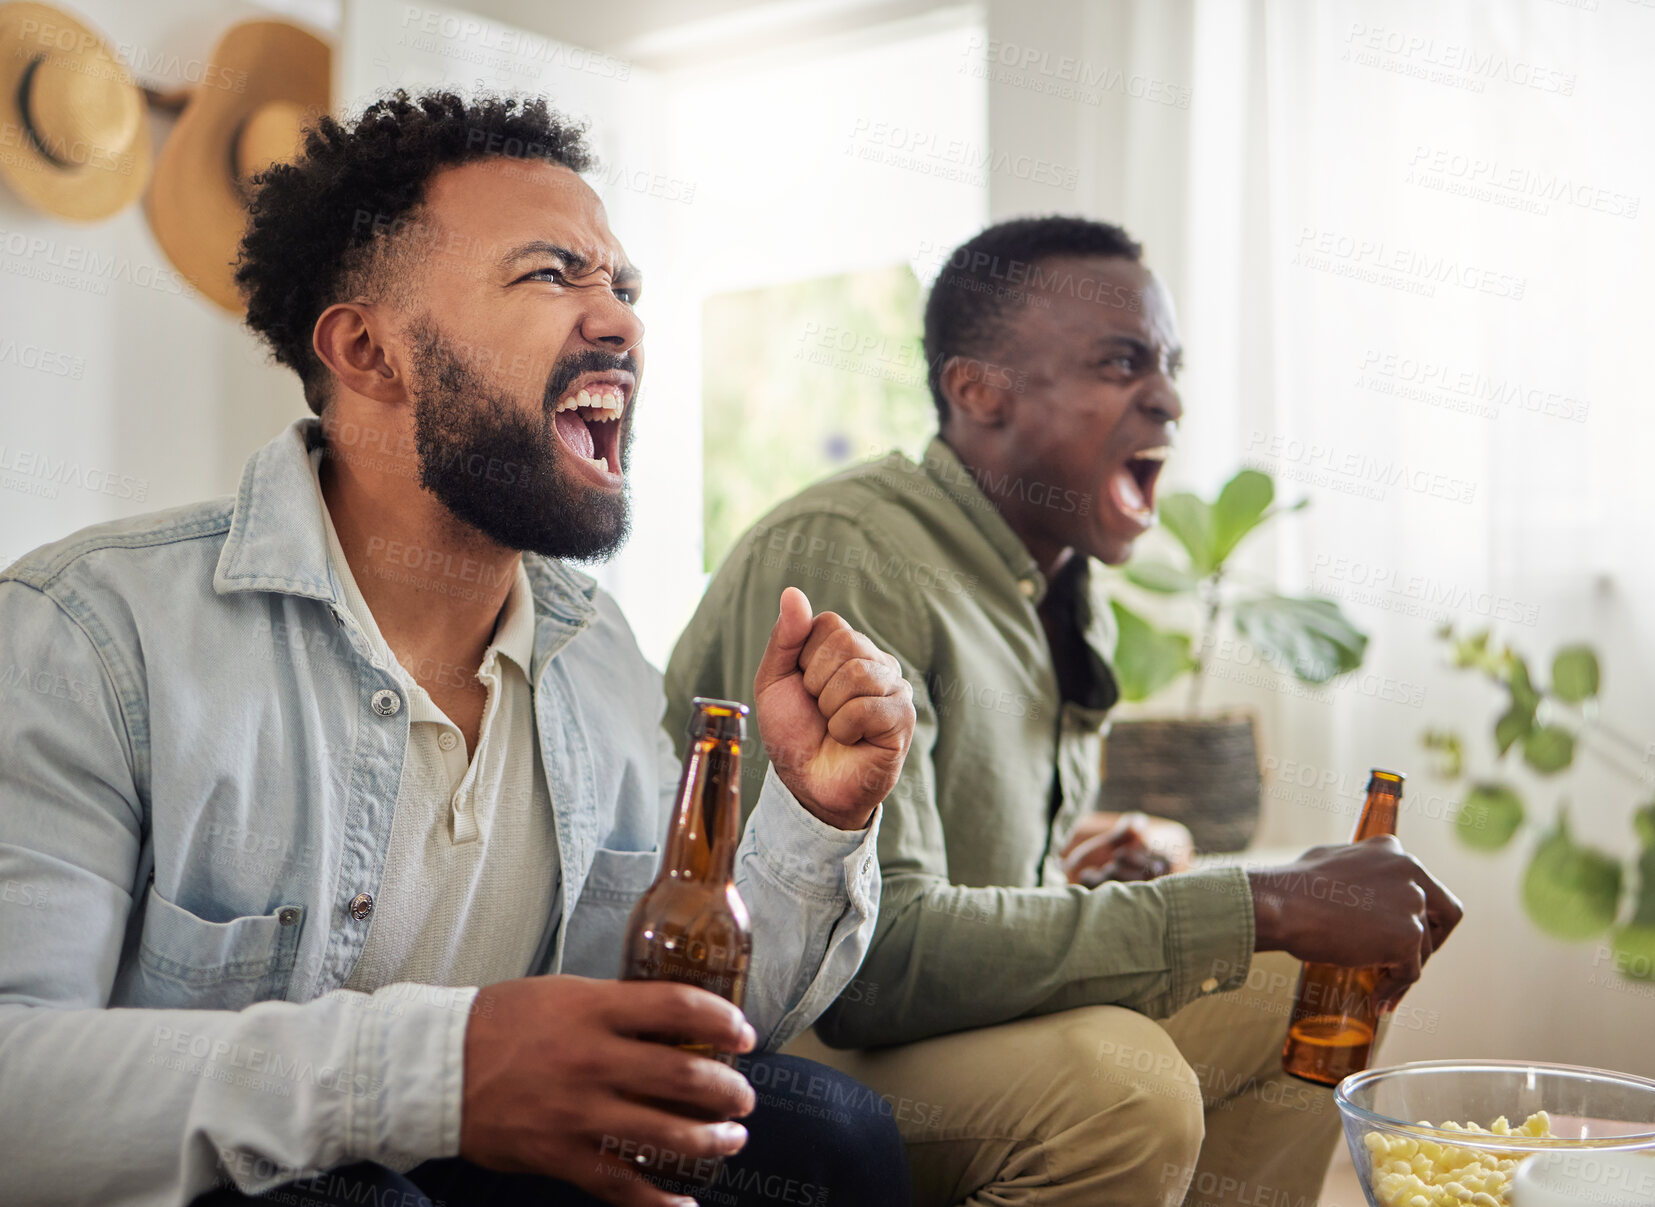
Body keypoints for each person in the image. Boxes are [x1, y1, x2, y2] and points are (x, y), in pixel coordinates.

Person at [0, 90, 918, 1207]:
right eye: (550, 275)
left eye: (621, 286)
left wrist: (816, 817)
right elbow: (16, 1090)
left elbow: (666, 1031)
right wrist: (438, 1071)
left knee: (827, 1136)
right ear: (370, 351)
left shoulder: (596, 655)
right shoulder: (89, 630)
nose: (623, 321)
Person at [666, 216, 1465, 1207]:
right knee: (1119, 1085)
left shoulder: (1043, 582)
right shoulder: (852, 550)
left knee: (1284, 984)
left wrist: (1065, 871)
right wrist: (1264, 898)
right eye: (1122, 361)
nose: (1167, 397)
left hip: (918, 1030)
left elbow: (950, 875)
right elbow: (876, 961)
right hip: (792, 1042)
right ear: (976, 391)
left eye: (1168, 364)